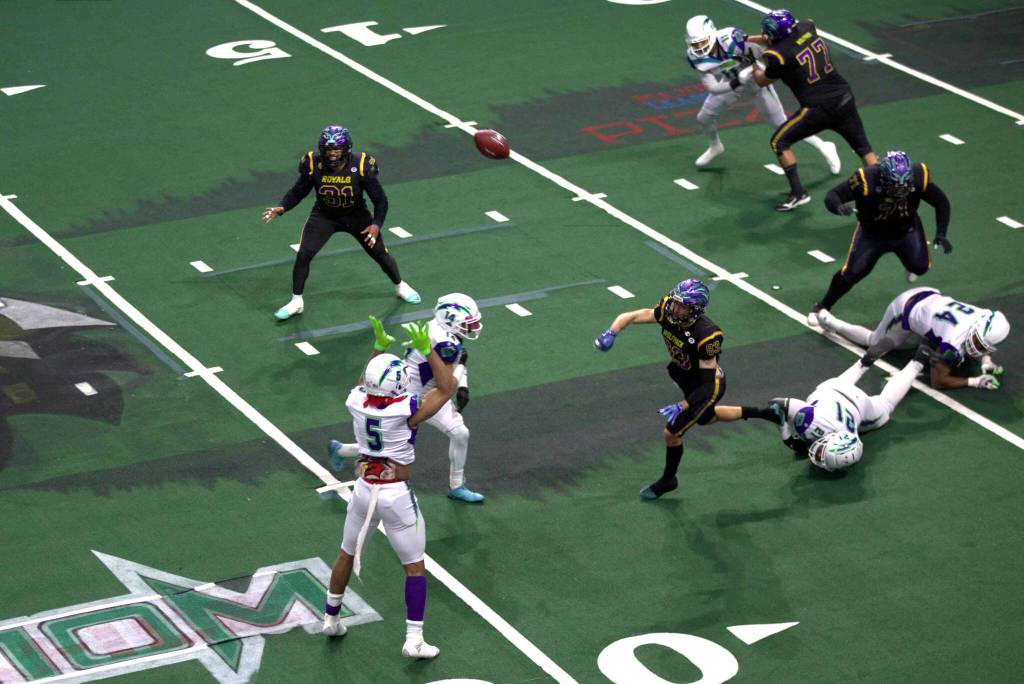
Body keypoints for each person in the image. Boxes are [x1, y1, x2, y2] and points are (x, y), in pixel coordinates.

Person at [323, 316, 455, 659]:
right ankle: (414, 639)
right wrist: (428, 352)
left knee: (346, 553)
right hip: (396, 493)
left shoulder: (355, 401)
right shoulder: (404, 409)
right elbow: (446, 388)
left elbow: (361, 383)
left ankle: (331, 617)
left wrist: (379, 348)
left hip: (364, 488)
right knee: (414, 566)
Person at [332, 293, 485, 503]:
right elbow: (446, 384)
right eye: (468, 323)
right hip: (411, 397)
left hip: (425, 390)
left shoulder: (440, 331)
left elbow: (457, 362)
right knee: (394, 444)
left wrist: (462, 381)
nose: (472, 327)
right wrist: (461, 383)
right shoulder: (444, 341)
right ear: (450, 319)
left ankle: (457, 485)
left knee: (459, 434)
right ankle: (342, 450)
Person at [262, 125, 419, 320]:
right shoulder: (312, 163)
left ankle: (400, 285)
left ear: (346, 149)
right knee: (304, 254)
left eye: (336, 148)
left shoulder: (361, 165)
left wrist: (376, 224)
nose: (332, 153)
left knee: (378, 252)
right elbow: (299, 190)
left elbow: (380, 200)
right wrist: (283, 207)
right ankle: (296, 301)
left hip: (356, 215)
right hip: (324, 215)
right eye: (328, 149)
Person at [594, 279, 725, 499]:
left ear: (695, 310)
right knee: (706, 418)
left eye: (682, 306)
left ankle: (668, 480)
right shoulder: (668, 311)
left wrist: (683, 404)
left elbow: (708, 385)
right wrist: (612, 332)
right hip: (683, 375)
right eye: (676, 302)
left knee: (671, 433)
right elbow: (633, 316)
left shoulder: (707, 336)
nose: (675, 308)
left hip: (705, 388)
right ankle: (768, 413)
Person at [748, 9, 878, 211]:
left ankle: (798, 193)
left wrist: (752, 65)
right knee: (865, 150)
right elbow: (797, 30)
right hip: (844, 98)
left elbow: (762, 80)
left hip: (818, 108)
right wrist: (750, 39)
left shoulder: (777, 55)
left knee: (779, 142)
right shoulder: (807, 27)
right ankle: (882, 195)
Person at [808, 150, 952, 324]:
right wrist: (837, 207)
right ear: (883, 177)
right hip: (872, 235)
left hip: (906, 231)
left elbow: (941, 201)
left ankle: (909, 264)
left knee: (920, 266)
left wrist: (941, 232)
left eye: (904, 184)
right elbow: (833, 195)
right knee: (852, 273)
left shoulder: (918, 177)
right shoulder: (866, 179)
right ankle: (823, 305)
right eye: (894, 184)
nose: (900, 189)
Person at [717, 352, 926, 471]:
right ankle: (916, 363)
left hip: (839, 391)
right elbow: (777, 404)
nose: (816, 454)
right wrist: (786, 436)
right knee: (885, 407)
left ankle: (897, 362)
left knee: (884, 405)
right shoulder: (809, 421)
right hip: (845, 397)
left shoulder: (848, 437)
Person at [684, 14, 840, 173]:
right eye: (695, 44)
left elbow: (761, 49)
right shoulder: (695, 57)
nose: (699, 47)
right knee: (704, 117)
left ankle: (823, 145)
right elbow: (712, 87)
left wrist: (763, 67)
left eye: (702, 42)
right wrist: (737, 81)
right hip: (732, 84)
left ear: (712, 34)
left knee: (782, 126)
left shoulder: (730, 39)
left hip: (756, 84)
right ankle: (715, 146)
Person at [817, 287, 1009, 390]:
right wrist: (974, 381)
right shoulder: (953, 341)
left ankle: (924, 335)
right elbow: (938, 381)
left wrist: (986, 359)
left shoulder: (983, 317)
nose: (975, 347)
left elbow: (985, 341)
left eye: (982, 346)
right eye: (976, 340)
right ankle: (832, 322)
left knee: (932, 342)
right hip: (906, 308)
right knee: (875, 341)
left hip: (932, 299)